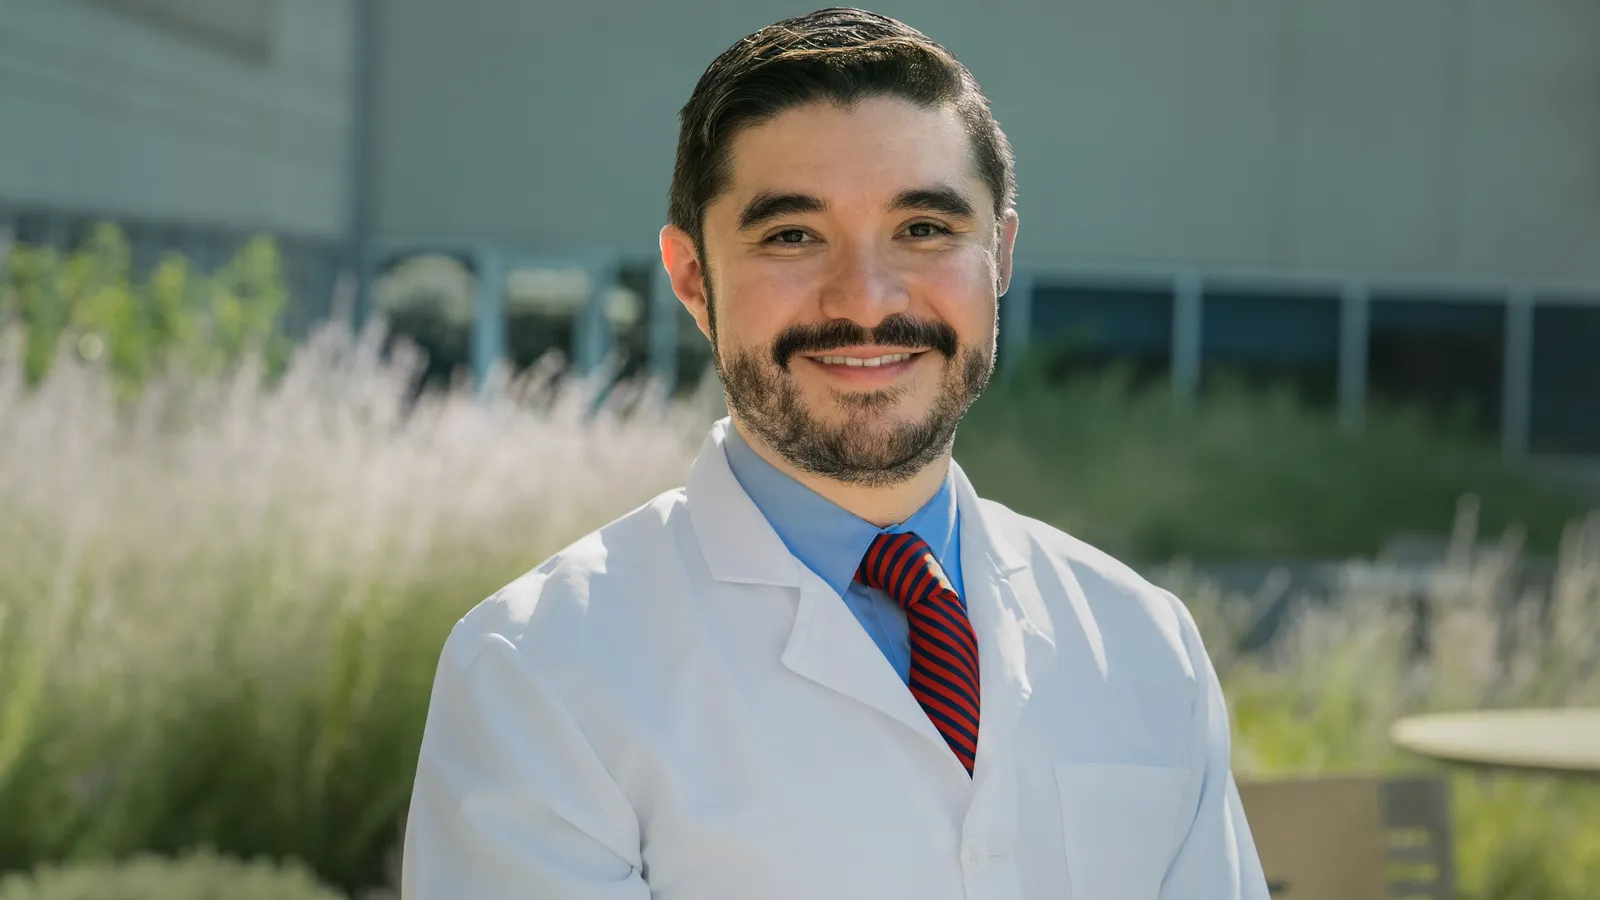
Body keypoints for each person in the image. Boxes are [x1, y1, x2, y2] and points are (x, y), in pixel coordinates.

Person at [401, 8, 1270, 899]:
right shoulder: (537, 674)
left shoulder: (1144, 645)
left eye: (925, 228)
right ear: (694, 277)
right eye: (792, 235)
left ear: (1000, 253)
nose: (865, 299)